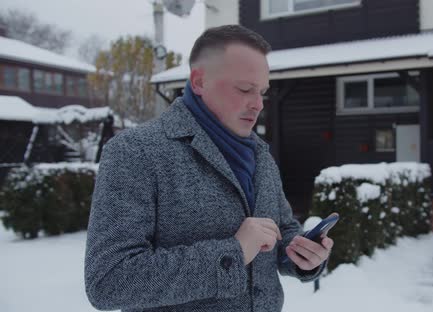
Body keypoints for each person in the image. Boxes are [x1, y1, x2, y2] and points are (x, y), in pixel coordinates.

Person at [84, 25, 334, 312]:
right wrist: (233, 253)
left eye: (262, 91)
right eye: (244, 89)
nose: (257, 104)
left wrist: (299, 253)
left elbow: (282, 228)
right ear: (199, 81)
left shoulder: (259, 153)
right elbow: (108, 282)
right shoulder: (135, 152)